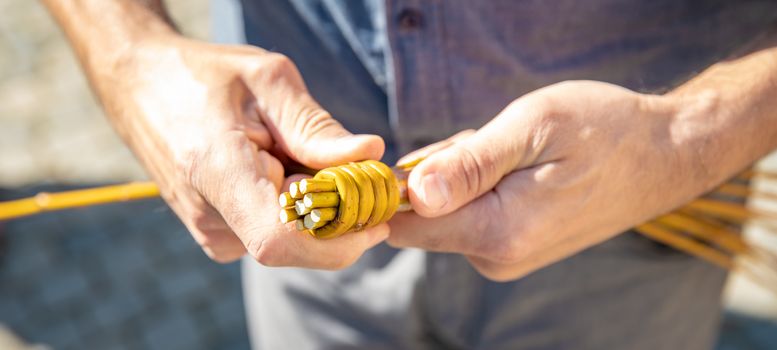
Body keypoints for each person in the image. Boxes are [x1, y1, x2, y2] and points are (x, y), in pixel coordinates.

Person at [43, 0, 777, 349]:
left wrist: (685, 138)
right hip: (292, 228)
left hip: (625, 225)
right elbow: (125, 46)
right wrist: (128, 53)